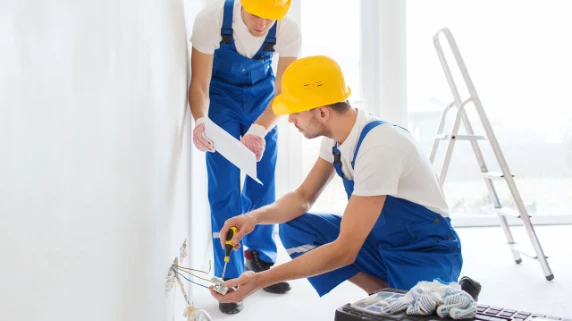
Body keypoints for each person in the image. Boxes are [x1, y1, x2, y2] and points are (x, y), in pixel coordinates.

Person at [209, 55, 466, 305]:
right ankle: (383, 292)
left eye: (295, 111)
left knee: (419, 306)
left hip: (423, 249)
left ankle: (430, 291)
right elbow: (301, 199)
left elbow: (345, 251)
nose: (290, 119)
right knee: (294, 227)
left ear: (321, 112)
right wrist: (253, 218)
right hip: (381, 241)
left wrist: (259, 280)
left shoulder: (380, 147)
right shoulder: (335, 140)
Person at [188, 0, 301, 314]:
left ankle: (261, 260)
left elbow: (284, 93)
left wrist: (260, 129)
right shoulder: (211, 20)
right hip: (220, 101)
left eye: (271, 17)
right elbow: (198, 84)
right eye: (256, 15)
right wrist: (200, 121)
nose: (263, 24)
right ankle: (231, 278)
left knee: (262, 181)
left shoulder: (288, 28)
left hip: (264, 102)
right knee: (224, 189)